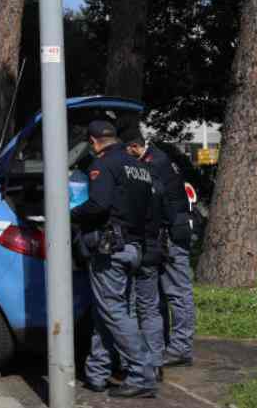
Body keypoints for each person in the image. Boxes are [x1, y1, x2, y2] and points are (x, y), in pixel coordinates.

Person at [70, 120, 158, 399]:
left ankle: (143, 375)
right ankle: (97, 373)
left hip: (111, 249)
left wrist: (69, 214)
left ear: (94, 142)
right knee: (107, 312)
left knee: (114, 313)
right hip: (134, 248)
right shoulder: (140, 167)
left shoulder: (105, 164)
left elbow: (99, 205)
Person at [126, 132, 196, 368]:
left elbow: (152, 201)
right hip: (168, 233)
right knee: (164, 293)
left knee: (178, 292)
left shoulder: (154, 164)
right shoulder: (156, 156)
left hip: (172, 235)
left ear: (134, 146)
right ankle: (170, 343)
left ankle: (181, 348)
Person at [120, 126, 165, 386]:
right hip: (153, 248)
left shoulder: (127, 180)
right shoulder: (153, 177)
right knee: (150, 309)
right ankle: (155, 362)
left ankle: (134, 365)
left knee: (129, 308)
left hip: (134, 247)